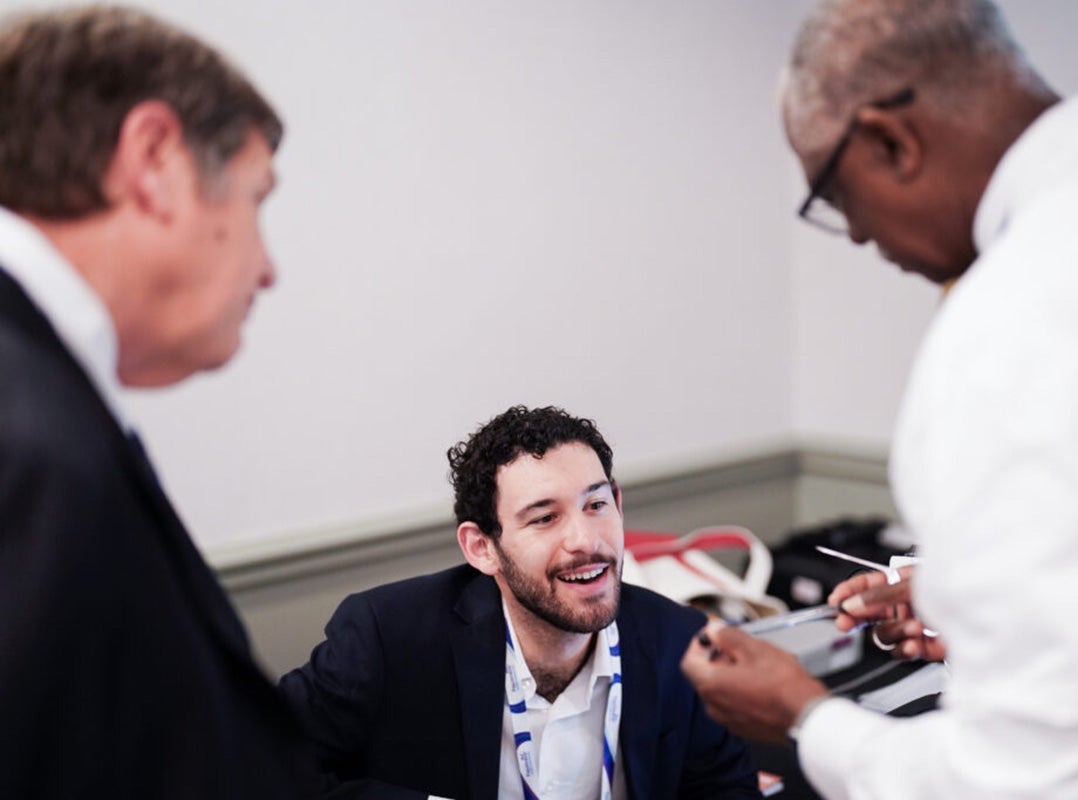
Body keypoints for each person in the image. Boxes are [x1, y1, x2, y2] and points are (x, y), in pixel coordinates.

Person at [682, 0, 1078, 797]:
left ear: (891, 141)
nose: (855, 235)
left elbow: (1032, 781)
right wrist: (965, 585)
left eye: (832, 193)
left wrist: (806, 720)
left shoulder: (1012, 324)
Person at [0, 7, 316, 798]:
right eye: (256, 197)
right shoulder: (24, 436)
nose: (269, 267)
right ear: (153, 160)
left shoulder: (45, 397)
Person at [279, 405, 760, 799]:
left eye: (596, 505)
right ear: (481, 548)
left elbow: (726, 790)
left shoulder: (680, 642)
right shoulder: (386, 636)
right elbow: (259, 763)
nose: (585, 540)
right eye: (545, 518)